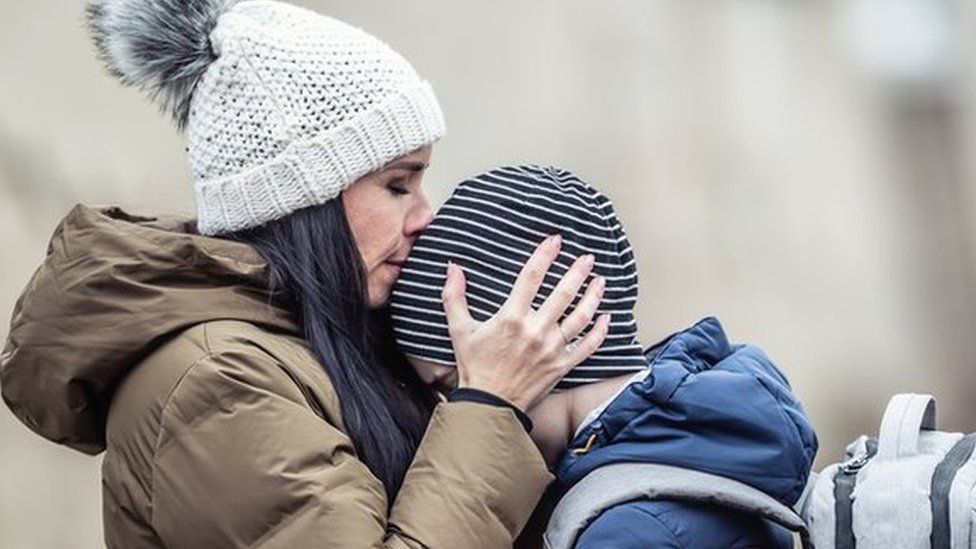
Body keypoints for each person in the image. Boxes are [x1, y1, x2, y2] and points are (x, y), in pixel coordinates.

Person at [0, 2, 609, 547]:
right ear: (301, 200)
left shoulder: (316, 346)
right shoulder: (215, 381)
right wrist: (490, 404)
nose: (426, 216)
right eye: (397, 184)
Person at [390, 164, 819, 548]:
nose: (446, 417)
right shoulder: (699, 446)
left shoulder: (628, 530)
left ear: (536, 341)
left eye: (454, 384)